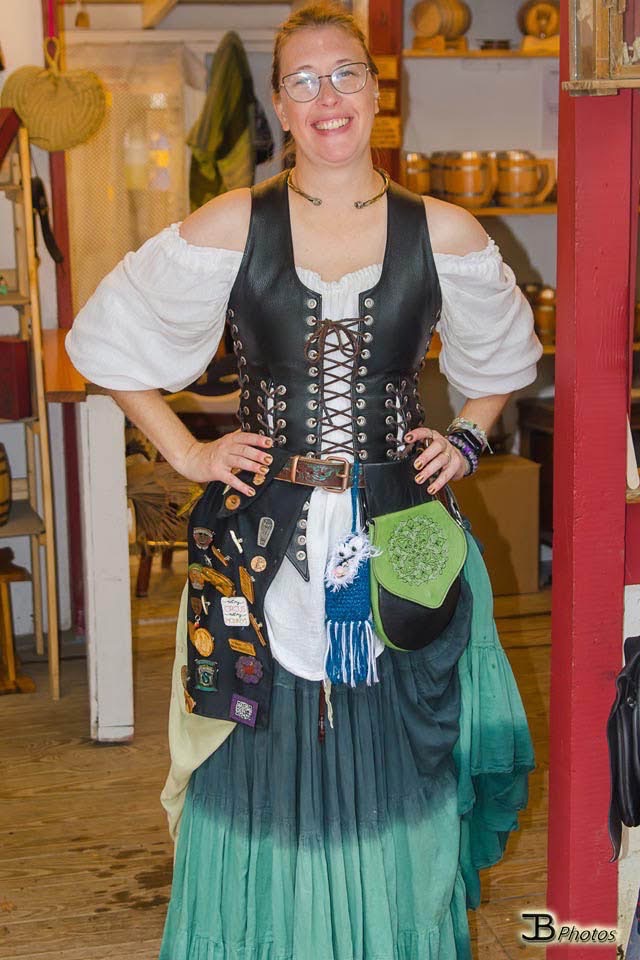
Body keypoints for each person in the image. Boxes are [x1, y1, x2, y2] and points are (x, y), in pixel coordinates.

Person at [66, 3, 543, 957]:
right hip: (263, 541)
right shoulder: (233, 223)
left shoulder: (443, 230)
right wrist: (189, 452)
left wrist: (467, 437)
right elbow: (105, 343)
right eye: (304, 81)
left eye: (346, 74)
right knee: (259, 757)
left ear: (376, 90)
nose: (329, 96)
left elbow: (502, 363)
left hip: (399, 534)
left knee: (395, 762)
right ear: (281, 105)